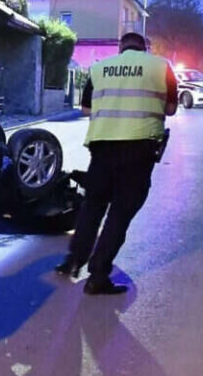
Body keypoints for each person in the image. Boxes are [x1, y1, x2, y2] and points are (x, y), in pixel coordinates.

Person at [56, 33, 178, 295]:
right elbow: (170, 109)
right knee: (120, 214)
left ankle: (73, 261)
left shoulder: (100, 68)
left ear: (121, 48)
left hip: (102, 149)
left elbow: (86, 109)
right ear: (145, 48)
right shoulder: (161, 66)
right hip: (139, 149)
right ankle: (98, 276)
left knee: (92, 208)